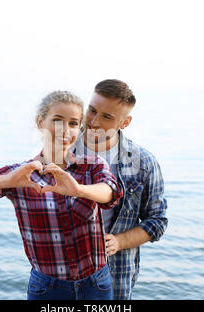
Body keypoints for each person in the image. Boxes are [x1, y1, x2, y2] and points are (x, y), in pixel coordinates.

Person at [0, 90, 123, 300]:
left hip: (96, 285)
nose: (65, 129)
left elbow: (111, 192)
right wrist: (7, 180)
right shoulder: (23, 173)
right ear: (40, 121)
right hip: (48, 288)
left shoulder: (92, 166)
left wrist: (78, 190)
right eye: (57, 120)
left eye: (73, 123)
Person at [70, 79, 168, 300]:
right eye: (92, 110)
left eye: (106, 117)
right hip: (60, 273)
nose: (94, 122)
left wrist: (119, 241)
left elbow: (158, 221)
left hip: (115, 276)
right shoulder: (60, 150)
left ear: (125, 122)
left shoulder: (143, 162)